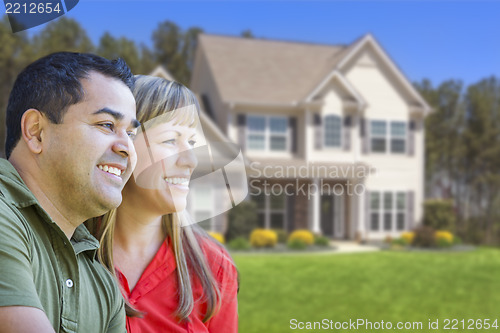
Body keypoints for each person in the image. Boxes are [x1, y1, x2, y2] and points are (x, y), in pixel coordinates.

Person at [0, 52, 140, 333]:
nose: (127, 148)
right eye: (106, 125)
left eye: (131, 134)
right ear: (37, 132)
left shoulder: (102, 284)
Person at [90, 76, 238, 332]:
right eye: (171, 140)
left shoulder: (215, 267)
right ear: (124, 146)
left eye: (192, 142)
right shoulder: (65, 251)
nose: (191, 160)